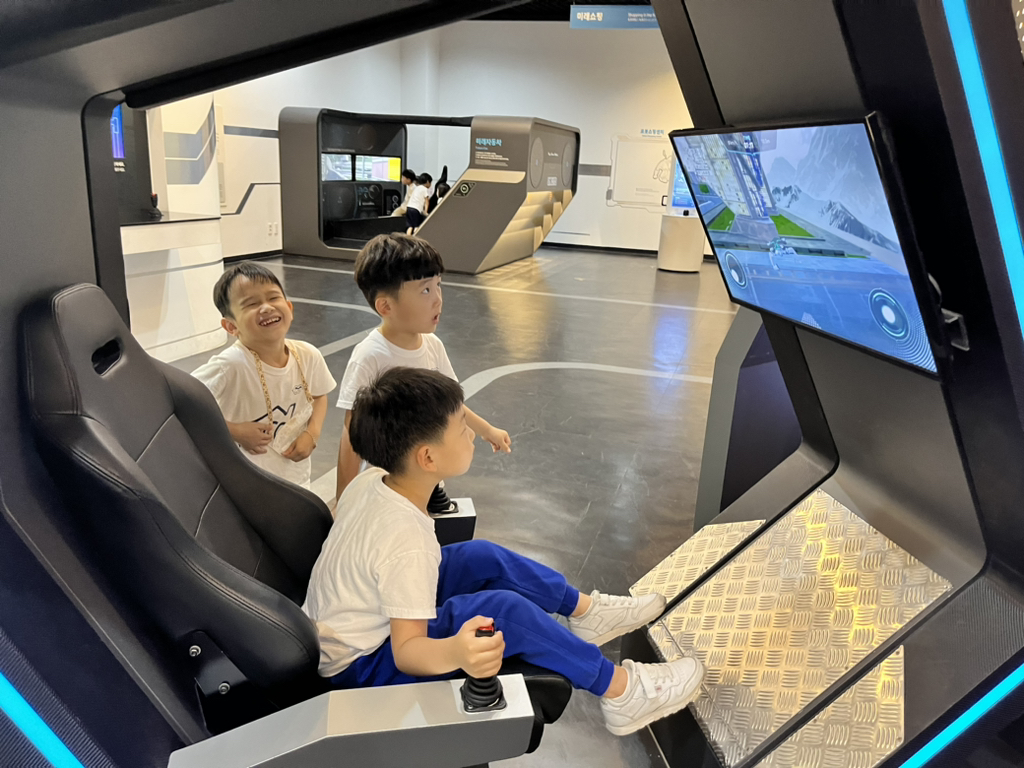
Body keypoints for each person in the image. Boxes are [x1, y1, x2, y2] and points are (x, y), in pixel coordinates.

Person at [303, 368, 705, 736]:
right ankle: (621, 692)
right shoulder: (405, 540)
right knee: (503, 612)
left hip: (356, 620)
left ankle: (585, 612)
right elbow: (407, 652)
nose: (471, 435)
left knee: (480, 558)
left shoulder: (372, 480)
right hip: (363, 665)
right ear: (427, 457)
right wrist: (456, 650)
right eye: (462, 428)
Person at [334, 233, 510, 505]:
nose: (438, 299)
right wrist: (344, 498)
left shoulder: (433, 346)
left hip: (427, 477)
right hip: (389, 483)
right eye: (425, 290)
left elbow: (450, 406)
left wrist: (486, 429)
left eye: (438, 285)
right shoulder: (371, 356)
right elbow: (351, 432)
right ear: (385, 306)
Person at [193, 262, 337, 488]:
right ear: (231, 327)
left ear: (289, 307)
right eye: (251, 303)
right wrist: (235, 431)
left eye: (273, 297)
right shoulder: (231, 365)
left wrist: (312, 433)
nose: (266, 307)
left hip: (295, 476)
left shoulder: (308, 355)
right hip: (243, 483)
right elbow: (185, 405)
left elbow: (319, 396)